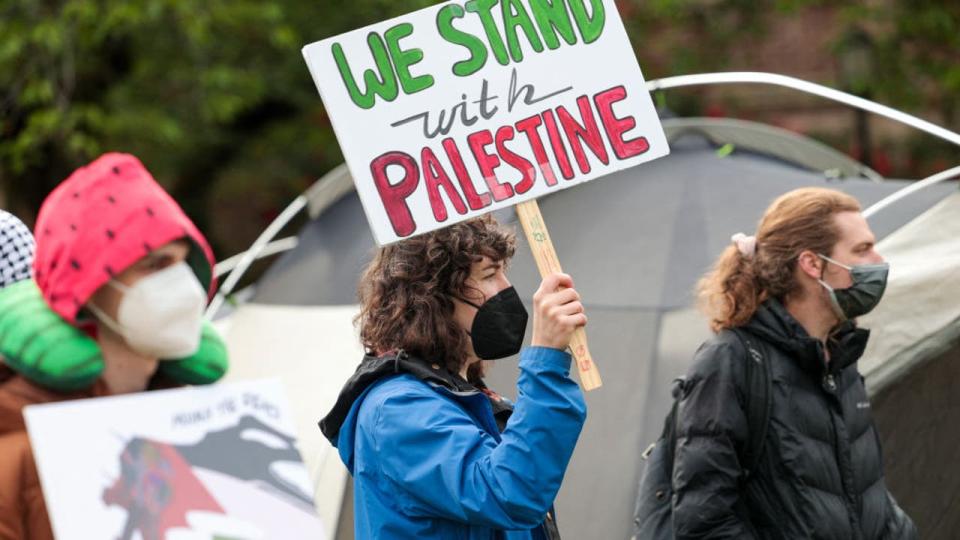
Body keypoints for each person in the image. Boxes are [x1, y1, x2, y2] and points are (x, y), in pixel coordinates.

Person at [0, 153, 228, 539]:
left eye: (184, 262)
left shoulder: (198, 417)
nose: (183, 286)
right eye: (155, 266)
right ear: (87, 288)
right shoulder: (16, 443)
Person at [669, 187, 916, 539]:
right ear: (812, 263)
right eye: (862, 249)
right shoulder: (731, 362)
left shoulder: (841, 359)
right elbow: (703, 522)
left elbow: (862, 495)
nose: (879, 260)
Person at [320, 215, 587, 539]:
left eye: (504, 271)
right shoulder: (396, 409)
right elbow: (509, 490)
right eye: (490, 274)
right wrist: (545, 362)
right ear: (435, 296)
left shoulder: (463, 398)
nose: (506, 288)